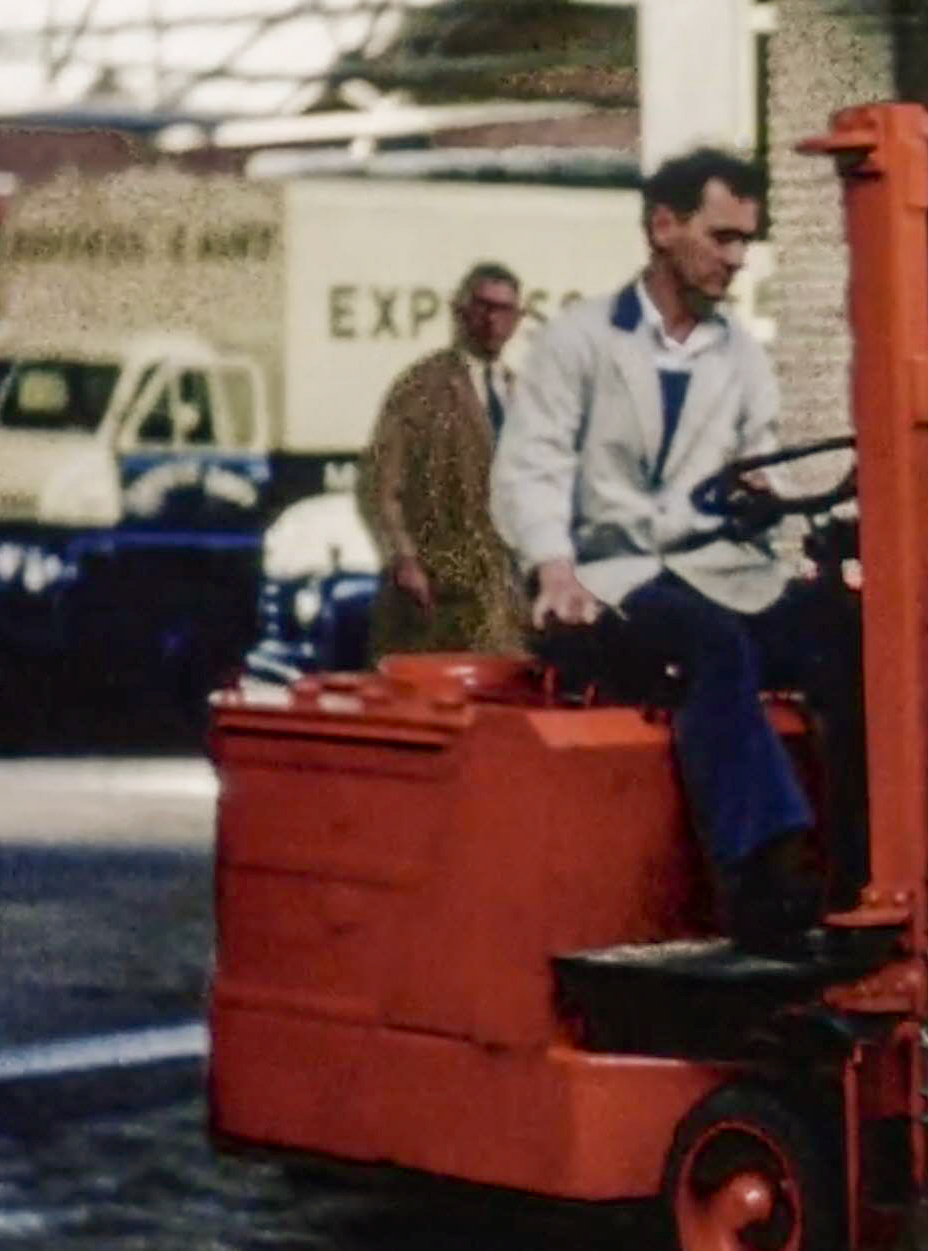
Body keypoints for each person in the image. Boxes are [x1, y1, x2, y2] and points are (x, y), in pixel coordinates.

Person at [489, 148, 864, 955]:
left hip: (717, 568)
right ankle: (763, 881)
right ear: (664, 226)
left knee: (846, 632)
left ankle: (859, 870)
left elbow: (759, 461)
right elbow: (532, 466)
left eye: (746, 242)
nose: (737, 258)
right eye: (722, 237)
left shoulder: (743, 356)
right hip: (608, 580)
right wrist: (553, 567)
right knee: (710, 644)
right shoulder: (579, 340)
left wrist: (768, 500)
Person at [357, 261, 528, 659]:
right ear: (459, 310)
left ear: (518, 320)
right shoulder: (422, 387)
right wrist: (403, 560)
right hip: (436, 596)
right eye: (483, 306)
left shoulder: (519, 393)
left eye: (504, 310)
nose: (492, 320)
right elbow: (379, 486)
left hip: (501, 598)